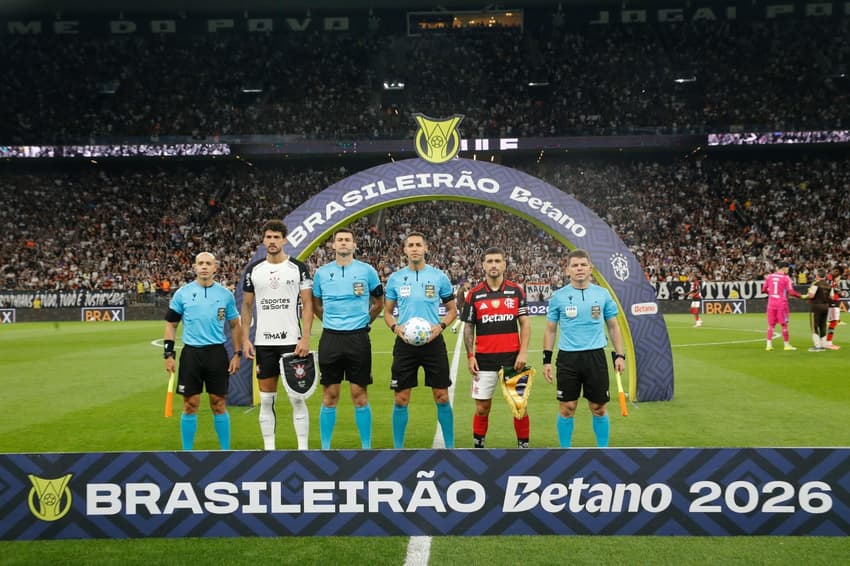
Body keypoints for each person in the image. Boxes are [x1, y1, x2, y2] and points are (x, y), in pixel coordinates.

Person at [241, 220, 314, 450]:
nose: (272, 241)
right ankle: (269, 450)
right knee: (266, 399)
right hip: (264, 343)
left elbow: (308, 303)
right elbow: (246, 306)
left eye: (276, 237)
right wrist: (245, 338)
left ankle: (302, 449)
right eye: (268, 237)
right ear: (264, 240)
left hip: (292, 342)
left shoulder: (298, 268)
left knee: (297, 397)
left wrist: (305, 337)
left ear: (284, 240)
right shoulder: (254, 270)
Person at [542, 249, 625, 448]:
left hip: (595, 357)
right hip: (568, 359)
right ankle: (565, 451)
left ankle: (603, 450)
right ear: (567, 270)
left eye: (583, 265)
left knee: (598, 408)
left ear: (590, 268)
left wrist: (620, 355)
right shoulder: (559, 297)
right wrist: (546, 360)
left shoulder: (602, 294)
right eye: (575, 265)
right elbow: (550, 330)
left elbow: (613, 325)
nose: (579, 268)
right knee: (567, 408)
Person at [384, 231, 457, 449]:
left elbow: (452, 309)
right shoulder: (395, 279)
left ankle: (451, 448)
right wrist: (396, 328)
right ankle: (398, 450)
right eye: (410, 245)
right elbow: (387, 313)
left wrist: (441, 326)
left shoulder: (439, 277)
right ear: (405, 250)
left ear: (426, 249)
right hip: (405, 343)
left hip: (433, 343)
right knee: (401, 399)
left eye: (418, 245)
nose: (415, 248)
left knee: (442, 396)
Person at [312, 228, 384, 449]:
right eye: (339, 240)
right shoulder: (322, 273)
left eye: (347, 240)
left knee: (359, 394)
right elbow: (315, 303)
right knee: (330, 394)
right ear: (333, 245)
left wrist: (364, 322)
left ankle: (366, 447)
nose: (343, 243)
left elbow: (379, 302)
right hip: (331, 339)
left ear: (354, 245)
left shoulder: (367, 271)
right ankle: (325, 448)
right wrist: (329, 322)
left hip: (358, 339)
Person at [164, 251, 242, 450]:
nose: (204, 267)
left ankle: (225, 451)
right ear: (195, 267)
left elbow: (234, 325)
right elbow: (171, 324)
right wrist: (168, 354)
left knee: (219, 403)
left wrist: (237, 353)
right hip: (191, 355)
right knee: (190, 404)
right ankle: (187, 452)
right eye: (201, 263)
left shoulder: (225, 295)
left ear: (215, 268)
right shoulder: (182, 293)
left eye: (208, 263)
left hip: (216, 354)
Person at [462, 247, 532, 448]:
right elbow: (468, 327)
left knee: (520, 406)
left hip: (513, 360)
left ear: (504, 264)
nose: (493, 265)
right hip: (484, 360)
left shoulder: (516, 290)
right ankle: (479, 447)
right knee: (482, 408)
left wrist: (523, 352)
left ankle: (523, 446)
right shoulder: (474, 294)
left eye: (497, 261)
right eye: (490, 261)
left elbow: (525, 323)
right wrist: (470, 356)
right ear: (483, 265)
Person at [762, 261, 803, 351]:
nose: (788, 270)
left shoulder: (769, 277)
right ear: (784, 268)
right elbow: (791, 292)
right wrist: (801, 296)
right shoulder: (786, 278)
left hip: (771, 303)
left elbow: (764, 289)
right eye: (788, 268)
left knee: (771, 325)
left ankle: (768, 345)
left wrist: (771, 293)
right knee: (784, 325)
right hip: (781, 303)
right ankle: (786, 345)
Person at [805, 269, 831, 352]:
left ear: (817, 275)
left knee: (814, 326)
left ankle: (817, 346)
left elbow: (811, 295)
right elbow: (832, 297)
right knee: (823, 325)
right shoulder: (828, 285)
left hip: (816, 307)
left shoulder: (815, 284)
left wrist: (807, 295)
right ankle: (824, 345)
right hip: (826, 306)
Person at [825, 266, 843, 349]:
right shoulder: (830, 279)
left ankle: (826, 341)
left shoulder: (832, 279)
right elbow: (830, 290)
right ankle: (828, 343)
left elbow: (837, 290)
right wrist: (837, 289)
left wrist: (838, 288)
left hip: (833, 303)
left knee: (833, 322)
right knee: (833, 322)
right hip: (832, 303)